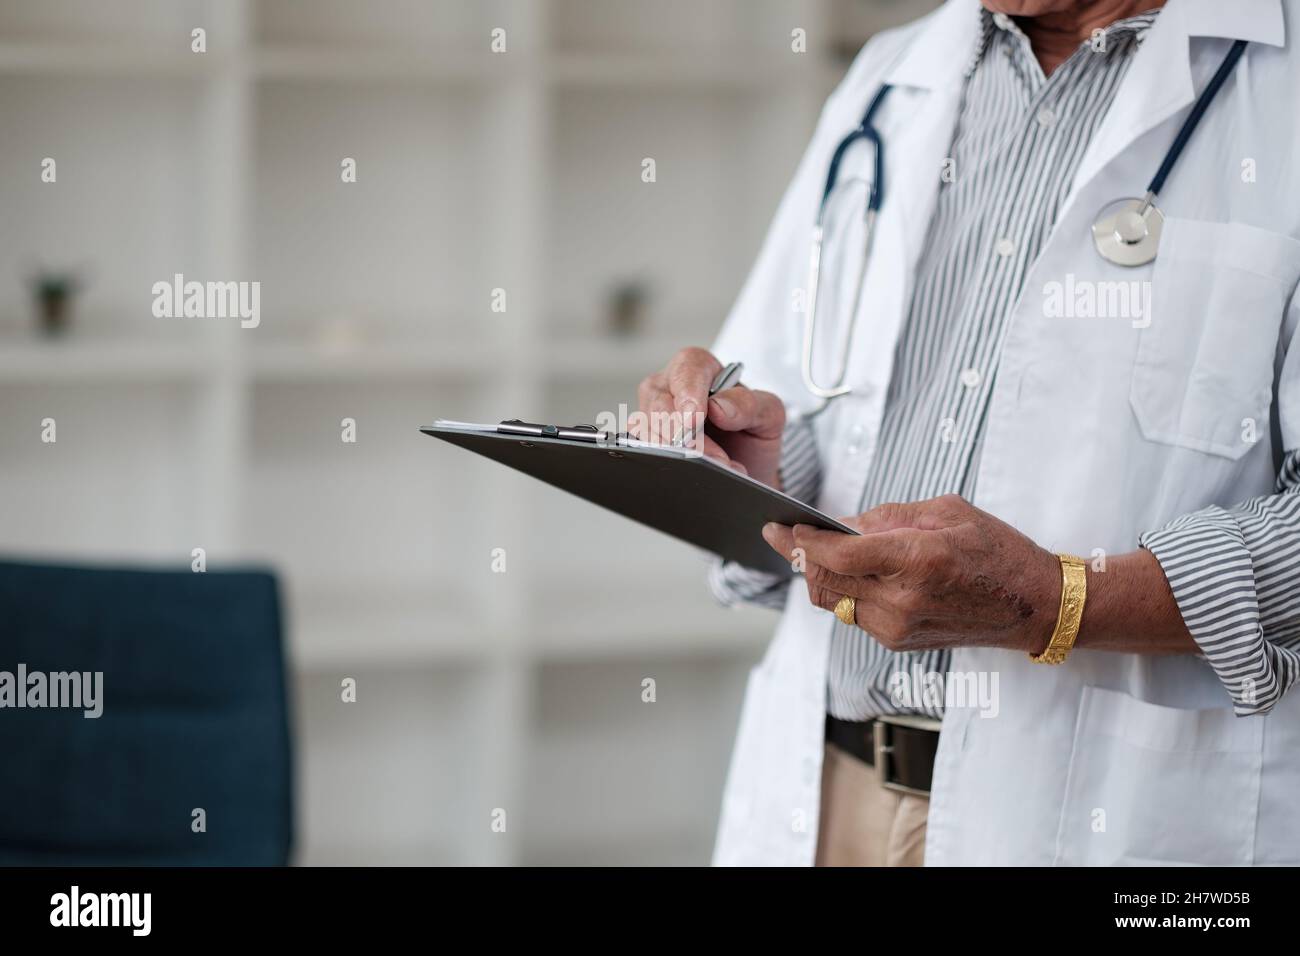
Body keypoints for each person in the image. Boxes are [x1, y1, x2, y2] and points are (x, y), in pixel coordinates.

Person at [637, 0, 1300, 865]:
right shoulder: (889, 75)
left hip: (1120, 821)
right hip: (827, 795)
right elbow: (815, 407)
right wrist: (753, 463)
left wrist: (1058, 601)